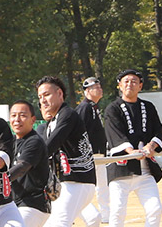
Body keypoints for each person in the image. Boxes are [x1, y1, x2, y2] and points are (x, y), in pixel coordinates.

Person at [103, 69, 162, 227]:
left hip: (145, 170)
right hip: (121, 169)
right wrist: (131, 152)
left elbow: (158, 130)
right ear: (120, 86)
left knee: (155, 209)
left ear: (140, 86)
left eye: (134, 81)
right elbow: (115, 134)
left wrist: (151, 145)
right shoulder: (112, 109)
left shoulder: (148, 107)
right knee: (117, 212)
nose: (130, 84)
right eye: (126, 81)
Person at [35, 76, 96, 227]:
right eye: (40, 97)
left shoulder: (67, 114)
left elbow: (50, 146)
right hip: (65, 184)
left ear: (60, 94)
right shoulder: (49, 124)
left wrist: (26, 163)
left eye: (46, 95)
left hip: (78, 182)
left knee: (59, 223)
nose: (43, 100)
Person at [8, 101, 50, 227]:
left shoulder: (34, 142)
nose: (17, 120)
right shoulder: (9, 142)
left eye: (22, 115)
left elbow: (21, 168)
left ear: (33, 120)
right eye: (13, 115)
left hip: (33, 205)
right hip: (14, 204)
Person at [76, 77, 109, 225]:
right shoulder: (85, 108)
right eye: (96, 86)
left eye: (100, 85)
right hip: (90, 155)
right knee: (93, 186)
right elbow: (80, 131)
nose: (100, 88)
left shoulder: (93, 107)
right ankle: (100, 214)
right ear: (87, 91)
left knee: (102, 185)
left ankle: (105, 214)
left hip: (97, 153)